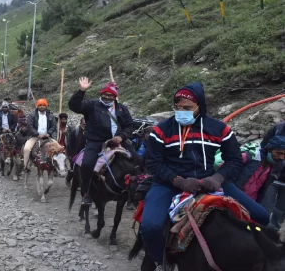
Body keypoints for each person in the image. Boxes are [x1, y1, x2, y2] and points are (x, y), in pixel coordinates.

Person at [141, 82, 270, 270]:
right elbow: (153, 163)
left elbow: (234, 159)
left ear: (200, 106)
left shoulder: (219, 129)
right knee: (150, 227)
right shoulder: (161, 130)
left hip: (210, 181)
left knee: (262, 216)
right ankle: (160, 261)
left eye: (187, 108)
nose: (181, 112)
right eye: (177, 108)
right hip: (169, 183)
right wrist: (179, 181)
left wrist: (218, 178)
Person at [68, 77, 136, 205]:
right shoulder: (91, 105)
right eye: (105, 94)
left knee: (138, 161)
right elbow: (74, 106)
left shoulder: (121, 108)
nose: (108, 97)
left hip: (118, 141)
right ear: (101, 94)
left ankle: (134, 192)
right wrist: (81, 91)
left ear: (115, 96)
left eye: (111, 95)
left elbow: (130, 126)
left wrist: (121, 137)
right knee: (87, 164)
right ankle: (86, 192)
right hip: (96, 142)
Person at [258, 135, 285, 230]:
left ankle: (272, 233)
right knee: (265, 205)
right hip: (273, 177)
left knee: (281, 210)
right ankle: (259, 229)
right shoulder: (279, 128)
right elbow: (265, 146)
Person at [23, 99, 57, 170]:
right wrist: (37, 134)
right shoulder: (32, 115)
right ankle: (25, 166)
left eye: (43, 105)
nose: (42, 107)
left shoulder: (51, 115)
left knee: (58, 147)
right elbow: (29, 126)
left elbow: (53, 126)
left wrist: (49, 133)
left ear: (46, 106)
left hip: (47, 137)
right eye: (40, 105)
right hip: (35, 136)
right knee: (26, 149)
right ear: (37, 106)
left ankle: (56, 167)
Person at [65, 117, 86, 187]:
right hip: (75, 153)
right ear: (81, 123)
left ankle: (80, 184)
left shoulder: (90, 132)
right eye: (84, 124)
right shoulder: (75, 131)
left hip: (85, 153)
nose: (85, 125)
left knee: (82, 169)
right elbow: (69, 144)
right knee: (74, 170)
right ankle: (68, 178)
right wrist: (70, 155)